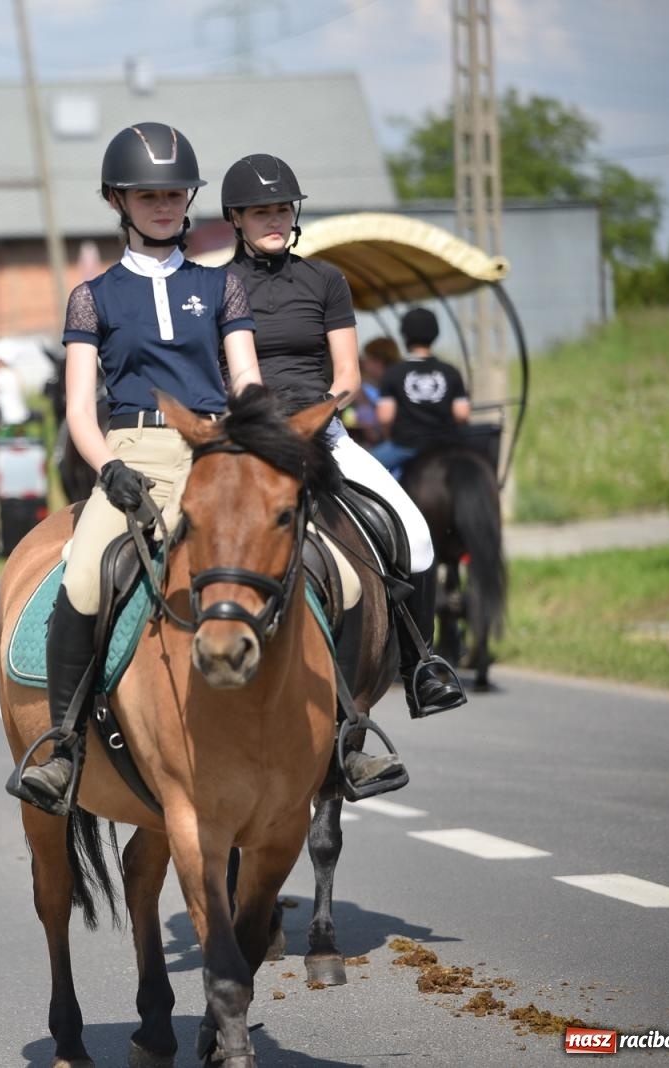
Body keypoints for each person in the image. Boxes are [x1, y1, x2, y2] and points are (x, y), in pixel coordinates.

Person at [11, 122, 263, 815]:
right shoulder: (92, 296)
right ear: (118, 200)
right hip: (130, 453)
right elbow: (78, 408)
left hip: (214, 454)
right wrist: (106, 469)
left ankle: (341, 729)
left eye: (176, 193)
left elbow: (243, 377)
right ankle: (62, 748)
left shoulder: (223, 288)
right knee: (88, 574)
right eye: (149, 194)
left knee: (296, 557)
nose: (165, 205)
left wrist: (252, 435)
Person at [221, 152, 464, 733]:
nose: (274, 219)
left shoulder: (326, 281)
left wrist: (320, 413)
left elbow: (349, 374)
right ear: (235, 217)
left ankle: (419, 663)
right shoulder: (215, 286)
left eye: (282, 209)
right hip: (248, 436)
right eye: (261, 212)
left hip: (321, 432)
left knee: (417, 533)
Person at [373, 308, 471, 475]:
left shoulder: (394, 373)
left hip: (405, 445)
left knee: (360, 471)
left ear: (405, 335)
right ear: (435, 334)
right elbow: (462, 414)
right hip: (446, 445)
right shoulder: (451, 371)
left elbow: (385, 417)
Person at [346, 336, 400, 446]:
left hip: (378, 445)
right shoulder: (400, 385)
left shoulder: (360, 391)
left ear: (378, 362)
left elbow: (371, 433)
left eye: (367, 358)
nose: (363, 362)